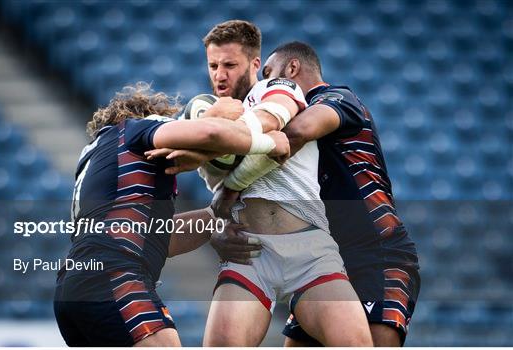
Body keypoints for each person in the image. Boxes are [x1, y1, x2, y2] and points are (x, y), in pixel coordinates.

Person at [150, 20, 372, 347]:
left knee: (357, 345)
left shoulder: (277, 87)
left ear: (255, 64)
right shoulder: (205, 116)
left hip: (308, 248)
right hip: (249, 255)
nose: (219, 75)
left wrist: (215, 142)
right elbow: (218, 197)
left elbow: (271, 121)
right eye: (213, 65)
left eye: (229, 65)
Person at [216, 41, 421, 346]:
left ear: (293, 69)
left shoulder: (337, 98)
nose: (265, 84)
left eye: (270, 74)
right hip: (322, 261)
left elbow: (296, 133)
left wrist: (231, 173)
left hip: (375, 254)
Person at [53, 82, 289, 347]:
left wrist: (215, 216)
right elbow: (209, 132)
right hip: (116, 279)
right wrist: (266, 142)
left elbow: (159, 238)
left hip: (72, 291)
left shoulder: (98, 161)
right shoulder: (135, 128)